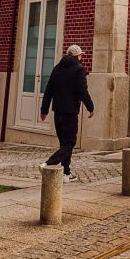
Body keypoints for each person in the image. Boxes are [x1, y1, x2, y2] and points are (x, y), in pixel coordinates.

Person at [39, 44, 94, 182]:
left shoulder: (56, 68)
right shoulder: (79, 69)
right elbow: (82, 91)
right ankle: (48, 164)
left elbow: (48, 90)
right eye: (80, 55)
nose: (81, 57)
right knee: (69, 143)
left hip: (58, 111)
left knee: (64, 143)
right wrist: (90, 106)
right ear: (76, 56)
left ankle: (66, 173)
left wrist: (44, 110)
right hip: (70, 113)